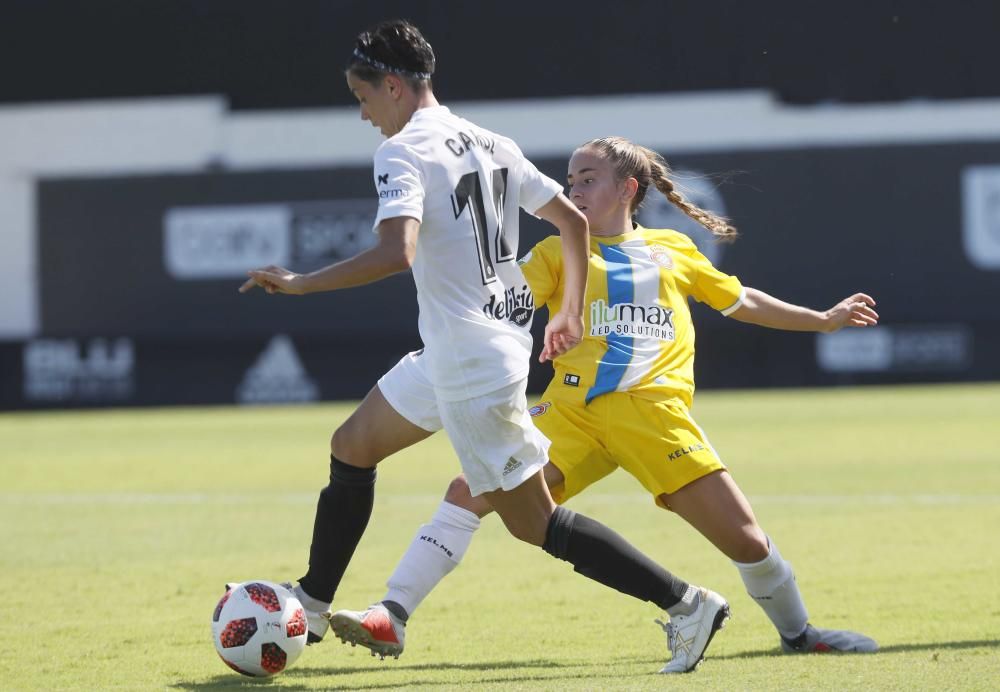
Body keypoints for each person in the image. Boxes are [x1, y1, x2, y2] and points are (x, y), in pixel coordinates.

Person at [240, 22, 730, 674]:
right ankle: (316, 600)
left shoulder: (402, 152)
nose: (362, 113)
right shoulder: (492, 141)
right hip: (469, 345)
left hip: (471, 360)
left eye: (363, 97)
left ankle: (687, 603)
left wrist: (302, 284)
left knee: (534, 524)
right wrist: (570, 310)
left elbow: (397, 251)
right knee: (352, 445)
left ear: (392, 86)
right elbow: (573, 221)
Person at [328, 136, 881, 663]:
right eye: (570, 181)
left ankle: (799, 634)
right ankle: (391, 613)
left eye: (588, 179)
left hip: (654, 417)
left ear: (629, 190)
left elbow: (741, 301)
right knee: (470, 490)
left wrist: (823, 320)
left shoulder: (673, 250)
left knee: (748, 542)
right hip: (570, 414)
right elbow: (499, 308)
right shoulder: (553, 252)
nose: (574, 191)